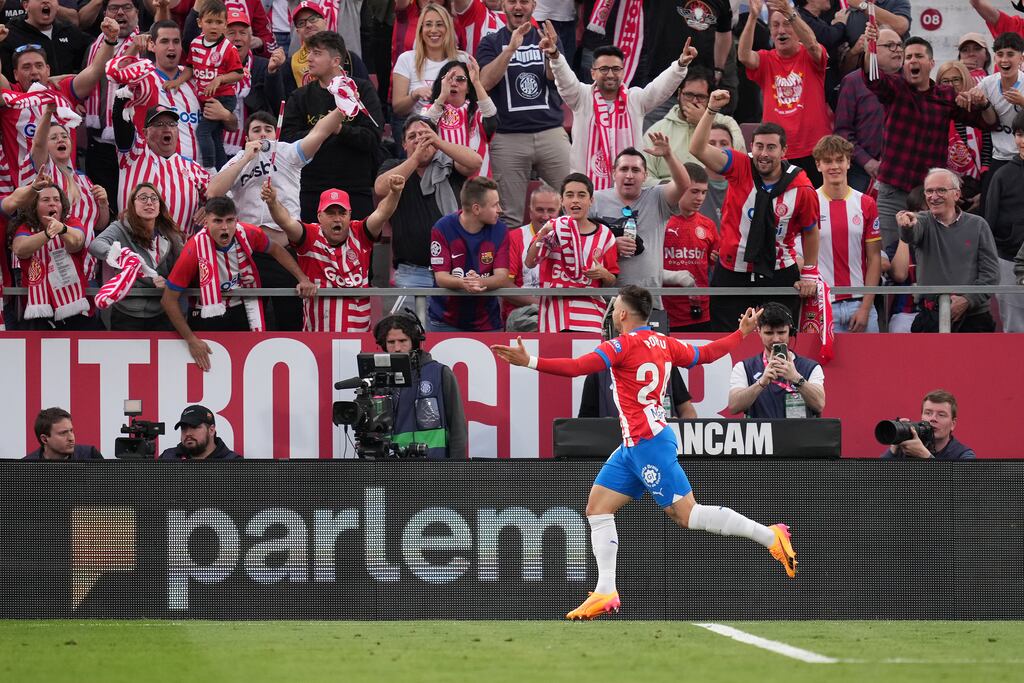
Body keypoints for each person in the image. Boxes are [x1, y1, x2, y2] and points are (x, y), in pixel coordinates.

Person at [490, 285, 797, 621]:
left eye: (615, 307)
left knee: (687, 516)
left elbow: (578, 367)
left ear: (622, 314)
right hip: (634, 445)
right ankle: (606, 589)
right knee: (597, 508)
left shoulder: (620, 346)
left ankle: (770, 535)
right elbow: (706, 355)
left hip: (648, 443)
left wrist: (529, 360)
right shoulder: (663, 343)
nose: (611, 313)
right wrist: (740, 333)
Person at [689, 89, 820, 332]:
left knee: (779, 340)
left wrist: (810, 273)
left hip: (779, 272)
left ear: (784, 152)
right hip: (731, 270)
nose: (764, 154)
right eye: (759, 146)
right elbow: (697, 149)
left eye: (771, 148)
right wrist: (711, 110)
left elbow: (811, 230)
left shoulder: (801, 186)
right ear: (751, 147)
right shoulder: (739, 165)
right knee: (726, 340)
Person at [864, 28, 998, 251]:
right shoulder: (895, 88)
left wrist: (982, 103)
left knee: (929, 255)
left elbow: (988, 122)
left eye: (918, 56)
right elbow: (873, 78)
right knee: (890, 255)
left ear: (931, 63)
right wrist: (871, 46)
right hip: (892, 192)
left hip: (930, 196)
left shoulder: (945, 96)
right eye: (908, 57)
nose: (912, 61)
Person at [161, 196, 316, 370]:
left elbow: (276, 250)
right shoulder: (193, 249)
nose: (225, 227)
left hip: (240, 307)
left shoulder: (249, 233)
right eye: (217, 221)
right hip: (206, 312)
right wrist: (191, 340)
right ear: (206, 222)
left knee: (249, 365)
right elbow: (168, 300)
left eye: (229, 220)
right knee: (213, 368)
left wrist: (302, 278)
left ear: (237, 220)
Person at [543, 30, 696, 190]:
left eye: (616, 69)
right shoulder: (581, 96)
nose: (610, 74)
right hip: (587, 190)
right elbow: (565, 80)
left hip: (628, 190)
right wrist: (555, 56)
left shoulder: (635, 99)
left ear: (623, 72)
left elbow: (660, 88)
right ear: (593, 73)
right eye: (604, 69)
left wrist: (680, 65)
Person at [261, 177, 404, 332]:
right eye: (330, 213)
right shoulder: (309, 236)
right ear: (319, 216)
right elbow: (286, 221)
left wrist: (395, 193)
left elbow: (382, 213)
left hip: (358, 337)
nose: (337, 219)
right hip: (317, 335)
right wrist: (273, 202)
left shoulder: (361, 233)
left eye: (342, 213)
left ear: (350, 215)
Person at [476, 0, 571, 226]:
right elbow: (485, 82)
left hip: (551, 132)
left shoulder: (547, 37)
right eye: (512, 2)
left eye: (524, 1)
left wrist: (553, 52)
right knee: (509, 217)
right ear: (503, 5)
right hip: (508, 137)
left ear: (534, 5)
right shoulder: (491, 41)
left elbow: (554, 78)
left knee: (573, 202)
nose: (518, 7)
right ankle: (515, 262)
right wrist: (510, 49)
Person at [0, 22, 119, 188]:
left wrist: (110, 40)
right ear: (15, 74)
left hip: (67, 191)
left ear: (48, 70)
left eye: (39, 66)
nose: (34, 71)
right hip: (26, 192)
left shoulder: (62, 90)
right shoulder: (10, 97)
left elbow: (95, 71)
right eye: (26, 67)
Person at [281, 30, 384, 221]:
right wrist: (323, 129)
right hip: (311, 190)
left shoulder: (361, 90)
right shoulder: (300, 96)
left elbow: (372, 137)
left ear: (336, 61)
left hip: (354, 189)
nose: (309, 59)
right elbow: (287, 143)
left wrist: (340, 129)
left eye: (317, 53)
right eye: (309, 52)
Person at [588, 138, 690, 329]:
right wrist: (610, 245)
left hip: (648, 300)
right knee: (611, 358)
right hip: (606, 300)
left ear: (645, 175)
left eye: (635, 170)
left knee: (652, 358)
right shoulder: (595, 200)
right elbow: (581, 242)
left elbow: (684, 184)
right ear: (613, 173)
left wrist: (668, 155)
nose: (629, 175)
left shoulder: (657, 196)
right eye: (624, 169)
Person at [376, 115, 482, 288]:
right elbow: (380, 187)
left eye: (425, 135)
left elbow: (475, 161)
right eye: (412, 137)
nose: (419, 140)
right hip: (413, 272)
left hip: (454, 269)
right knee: (409, 317)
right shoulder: (394, 166)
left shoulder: (449, 166)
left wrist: (438, 142)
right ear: (404, 145)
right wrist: (415, 159)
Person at [738, 0, 831, 187]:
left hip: (815, 150)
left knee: (817, 208)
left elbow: (813, 45)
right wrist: (753, 17)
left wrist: (789, 11)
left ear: (797, 28)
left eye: (787, 24)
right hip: (777, 153)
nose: (781, 30)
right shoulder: (766, 59)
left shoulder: (810, 55)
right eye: (775, 25)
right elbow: (744, 56)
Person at [896, 168, 1000, 333]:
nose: (934, 196)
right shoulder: (922, 221)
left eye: (941, 190)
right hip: (931, 317)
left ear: (957, 195)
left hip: (975, 319)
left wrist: (967, 300)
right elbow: (911, 234)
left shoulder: (978, 225)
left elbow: (991, 274)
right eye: (929, 191)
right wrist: (906, 224)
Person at [527, 172, 617, 333]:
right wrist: (543, 233)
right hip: (554, 313)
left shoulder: (605, 235)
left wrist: (604, 274)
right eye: (570, 195)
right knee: (555, 358)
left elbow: (612, 279)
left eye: (581, 195)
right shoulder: (552, 229)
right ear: (562, 201)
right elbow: (530, 261)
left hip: (590, 315)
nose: (575, 200)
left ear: (591, 200)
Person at [28, 103, 110, 280]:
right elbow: (38, 144)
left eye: (64, 136)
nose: (60, 140)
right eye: (54, 138)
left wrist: (103, 204)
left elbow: (98, 225)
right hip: (52, 270)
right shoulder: (46, 172)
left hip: (86, 269)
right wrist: (49, 113)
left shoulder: (85, 180)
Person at [106, 20, 204, 165]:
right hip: (154, 173)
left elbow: (230, 124)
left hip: (196, 173)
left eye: (176, 41)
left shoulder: (195, 77)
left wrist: (226, 116)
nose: (171, 47)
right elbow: (116, 72)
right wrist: (135, 47)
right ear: (152, 45)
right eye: (164, 41)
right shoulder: (143, 75)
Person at [88, 183, 184, 331]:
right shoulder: (120, 227)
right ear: (132, 204)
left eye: (154, 198)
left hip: (162, 310)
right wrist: (122, 256)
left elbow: (183, 265)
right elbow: (96, 245)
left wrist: (170, 282)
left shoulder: (170, 233)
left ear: (160, 205)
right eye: (143, 198)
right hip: (127, 312)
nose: (149, 202)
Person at [163, 0, 245, 170]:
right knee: (215, 138)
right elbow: (191, 68)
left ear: (225, 25)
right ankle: (222, 170)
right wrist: (177, 81)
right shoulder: (195, 44)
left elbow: (239, 74)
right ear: (200, 23)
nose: (214, 26)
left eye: (219, 22)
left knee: (203, 132)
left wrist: (219, 79)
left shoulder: (228, 48)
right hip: (206, 98)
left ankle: (208, 168)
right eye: (209, 22)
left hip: (223, 98)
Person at [373, 312, 468, 460]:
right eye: (391, 342)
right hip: (391, 466)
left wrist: (457, 468)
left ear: (415, 341)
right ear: (383, 345)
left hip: (435, 466)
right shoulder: (377, 379)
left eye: (403, 340)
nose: (397, 348)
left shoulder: (440, 373)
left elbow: (457, 427)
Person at [812, 135, 881, 333]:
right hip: (822, 305)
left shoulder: (866, 203)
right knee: (825, 365)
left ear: (848, 163)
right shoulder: (808, 202)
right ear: (818, 165)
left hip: (860, 303)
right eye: (827, 161)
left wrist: (866, 308)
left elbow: (874, 258)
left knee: (871, 364)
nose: (834, 166)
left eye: (839, 160)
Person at [113, 103, 211, 235]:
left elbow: (219, 196)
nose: (167, 129)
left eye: (172, 124)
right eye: (159, 125)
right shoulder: (134, 155)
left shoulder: (193, 168)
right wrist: (123, 96)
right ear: (145, 133)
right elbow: (121, 123)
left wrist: (209, 208)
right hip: (136, 247)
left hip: (180, 251)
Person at [82, 0, 141, 215]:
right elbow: (83, 83)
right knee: (103, 209)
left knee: (133, 210)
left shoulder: (148, 45)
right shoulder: (93, 46)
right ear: (105, 13)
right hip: (99, 147)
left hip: (135, 147)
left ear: (137, 12)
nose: (120, 13)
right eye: (114, 8)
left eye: (126, 7)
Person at [429, 175, 509, 332]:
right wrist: (463, 283)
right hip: (444, 321)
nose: (500, 210)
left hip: (487, 322)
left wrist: (478, 282)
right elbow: (441, 277)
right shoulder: (442, 228)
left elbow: (501, 277)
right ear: (476, 209)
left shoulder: (501, 230)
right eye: (495, 205)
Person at [9, 183, 94, 329]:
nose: (52, 203)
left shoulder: (70, 222)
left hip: (76, 312)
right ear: (34, 206)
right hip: (39, 313)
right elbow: (20, 248)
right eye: (46, 200)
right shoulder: (26, 228)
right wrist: (48, 234)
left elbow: (77, 241)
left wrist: (62, 229)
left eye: (56, 199)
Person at [642, 66, 745, 180]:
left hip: (716, 190)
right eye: (689, 95)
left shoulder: (727, 123)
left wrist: (703, 122)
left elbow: (741, 164)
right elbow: (644, 177)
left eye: (701, 97)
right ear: (679, 94)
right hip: (670, 193)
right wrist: (671, 189)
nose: (694, 101)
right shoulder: (658, 129)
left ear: (710, 98)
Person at [833, 26, 903, 193]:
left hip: (902, 172)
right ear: (872, 49)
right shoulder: (853, 82)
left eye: (900, 45)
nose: (897, 50)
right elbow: (842, 131)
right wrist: (867, 161)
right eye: (890, 45)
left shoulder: (911, 82)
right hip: (862, 172)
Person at [727, 301, 826, 418]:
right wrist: (761, 383)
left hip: (799, 435)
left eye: (781, 332)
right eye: (769, 333)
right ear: (759, 331)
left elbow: (819, 404)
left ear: (790, 331)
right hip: (762, 435)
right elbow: (733, 407)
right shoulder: (744, 367)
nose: (776, 339)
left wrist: (797, 378)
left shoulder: (811, 367)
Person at [220, 7, 287, 158]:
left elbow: (277, 105)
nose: (237, 38)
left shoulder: (263, 66)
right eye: (231, 33)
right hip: (218, 146)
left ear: (250, 39)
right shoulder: (211, 67)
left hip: (255, 148)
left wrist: (272, 73)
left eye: (243, 33)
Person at [662, 162, 718, 333]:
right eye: (694, 191)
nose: (700, 197)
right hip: (665, 312)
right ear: (680, 187)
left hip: (701, 312)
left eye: (703, 192)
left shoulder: (708, 225)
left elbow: (713, 262)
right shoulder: (662, 222)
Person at [972, 32, 1024, 210]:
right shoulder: (987, 84)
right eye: (1000, 54)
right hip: (999, 157)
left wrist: (1022, 102)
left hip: (1022, 157)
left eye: (1010, 54)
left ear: (1021, 58)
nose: (1004, 60)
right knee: (989, 206)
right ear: (994, 57)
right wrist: (970, 98)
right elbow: (970, 101)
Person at [424, 57, 497, 177]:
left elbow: (491, 118)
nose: (453, 83)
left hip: (477, 183)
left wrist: (477, 83)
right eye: (448, 79)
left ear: (468, 87)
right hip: (442, 181)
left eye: (460, 79)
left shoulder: (477, 111)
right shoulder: (430, 109)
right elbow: (423, 128)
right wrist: (442, 96)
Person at [391, 2, 461, 120]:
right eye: (428, 24)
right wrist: (415, 95)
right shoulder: (406, 59)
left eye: (439, 24)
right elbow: (398, 108)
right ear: (421, 30)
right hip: (417, 128)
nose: (433, 30)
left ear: (448, 29)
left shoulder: (461, 60)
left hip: (452, 128)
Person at [502, 182, 558, 330]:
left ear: (559, 210)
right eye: (540, 210)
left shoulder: (569, 237)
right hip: (524, 313)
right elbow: (505, 285)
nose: (545, 216)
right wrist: (541, 305)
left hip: (560, 310)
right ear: (530, 211)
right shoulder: (515, 237)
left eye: (551, 210)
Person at [0, 0, 90, 81]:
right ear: (26, 5)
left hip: (65, 97)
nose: (46, 1)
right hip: (24, 97)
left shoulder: (70, 31)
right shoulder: (9, 35)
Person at [993, 112, 1024, 331]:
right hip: (1008, 261)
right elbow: (990, 222)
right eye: (1019, 134)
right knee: (1014, 329)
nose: (1021, 141)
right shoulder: (1003, 175)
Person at [881, 390, 976, 460]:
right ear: (921, 416)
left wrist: (925, 456)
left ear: (953, 424)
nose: (933, 419)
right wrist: (894, 448)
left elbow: (963, 485)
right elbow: (876, 481)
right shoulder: (906, 448)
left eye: (941, 414)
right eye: (928, 413)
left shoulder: (963, 455)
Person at [159, 404, 242, 459]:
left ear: (211, 430)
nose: (188, 433)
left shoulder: (234, 463)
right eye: (184, 428)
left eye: (194, 427)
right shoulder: (167, 457)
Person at [24, 407, 103, 460]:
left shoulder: (90, 455)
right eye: (63, 433)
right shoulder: (24, 467)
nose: (71, 438)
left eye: (71, 431)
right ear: (44, 439)